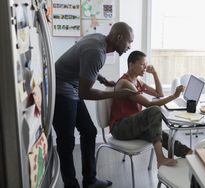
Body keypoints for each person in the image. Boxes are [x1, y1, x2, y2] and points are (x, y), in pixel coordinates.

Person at [53, 22, 138, 188]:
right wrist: (116, 94)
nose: (129, 47)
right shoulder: (97, 52)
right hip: (60, 88)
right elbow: (86, 93)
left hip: (72, 85)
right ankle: (71, 185)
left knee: (89, 131)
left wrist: (103, 80)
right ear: (119, 38)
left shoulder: (99, 40)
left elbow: (84, 64)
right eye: (129, 42)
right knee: (66, 141)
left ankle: (90, 181)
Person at [109, 50, 192, 168]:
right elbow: (149, 104)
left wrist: (155, 73)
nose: (145, 67)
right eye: (142, 64)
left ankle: (189, 153)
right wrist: (174, 96)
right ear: (131, 65)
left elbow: (159, 93)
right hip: (120, 128)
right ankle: (160, 159)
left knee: (160, 134)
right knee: (154, 110)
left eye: (145, 64)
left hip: (132, 125)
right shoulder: (125, 83)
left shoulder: (137, 81)